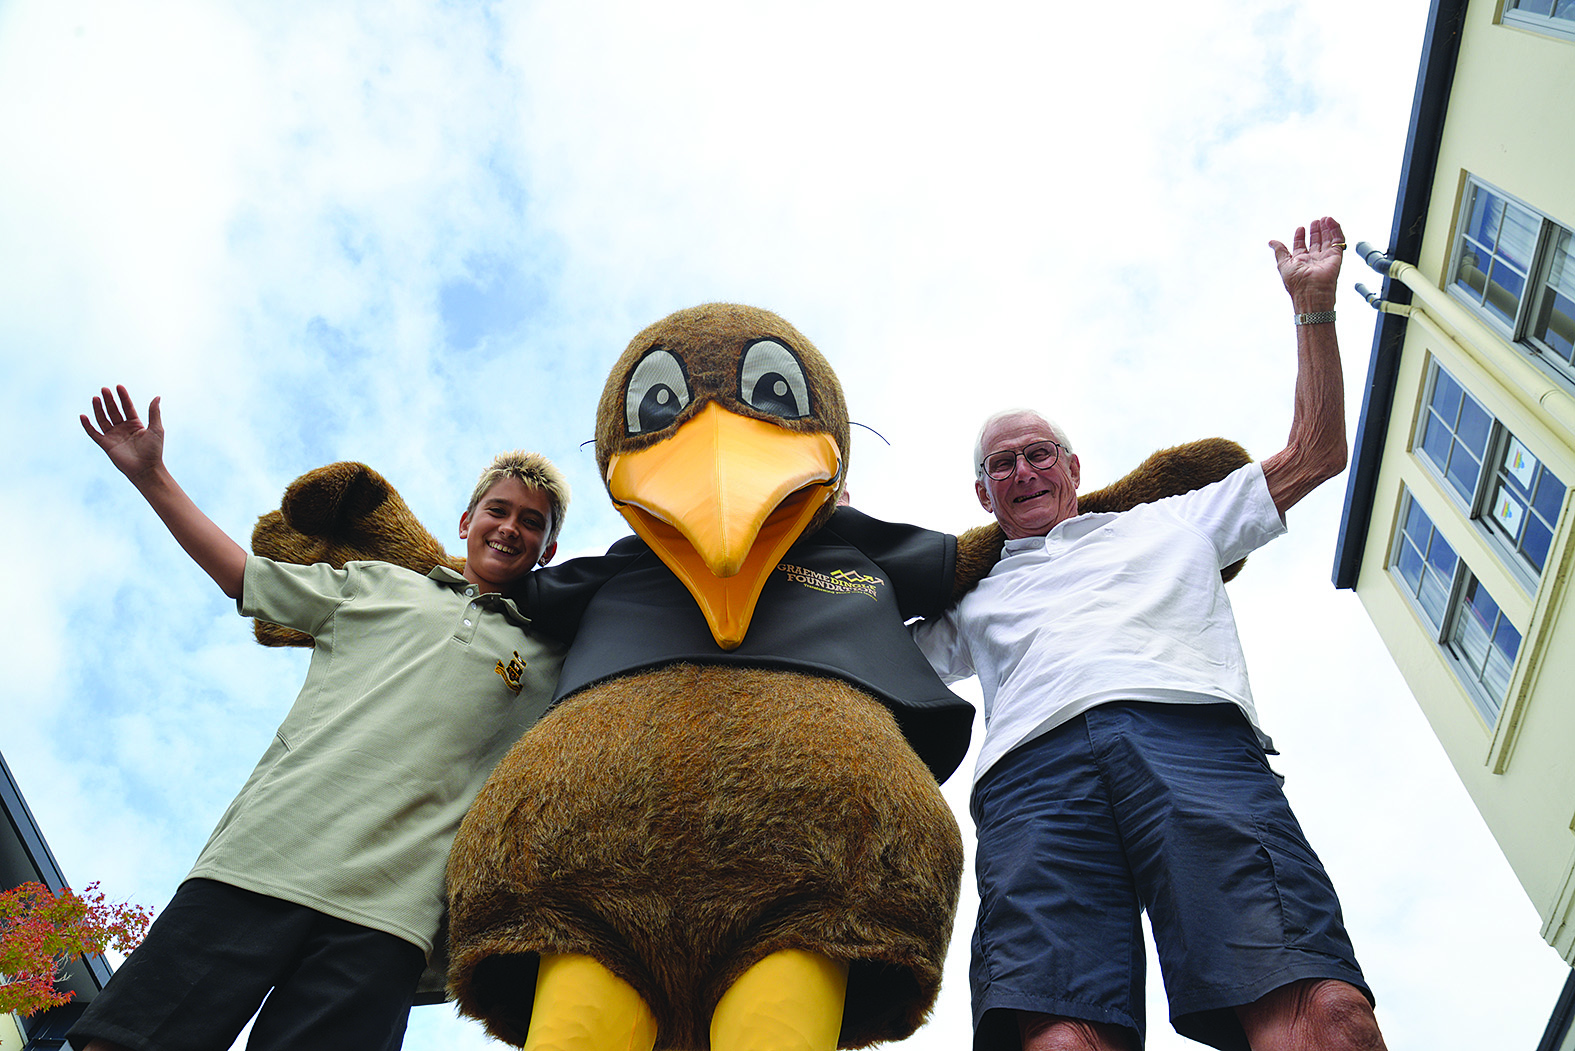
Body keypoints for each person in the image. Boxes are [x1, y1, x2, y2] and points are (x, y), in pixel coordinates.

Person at [912, 218, 1389, 1051]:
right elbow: (862, 656)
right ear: (983, 495)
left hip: (1190, 738)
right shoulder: (973, 597)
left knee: (1322, 1014)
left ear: (1072, 467)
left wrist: (1311, 306)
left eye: (1037, 453)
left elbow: (1316, 452)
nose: (1022, 470)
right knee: (1059, 1040)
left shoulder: (1175, 520)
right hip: (1032, 778)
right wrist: (823, 536)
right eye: (1001, 464)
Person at [69, 385, 570, 1051]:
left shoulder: (553, 661)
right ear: (465, 522)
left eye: (532, 522)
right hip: (264, 857)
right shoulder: (378, 584)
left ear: (548, 550)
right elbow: (241, 575)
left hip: (391, 913)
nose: (510, 527)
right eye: (497, 510)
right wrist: (151, 475)